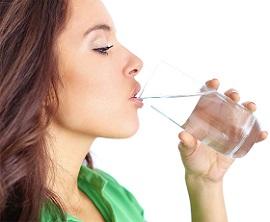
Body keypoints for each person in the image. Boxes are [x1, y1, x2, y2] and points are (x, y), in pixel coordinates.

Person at [0, 0, 267, 222]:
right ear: (33, 77)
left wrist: (206, 185)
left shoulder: (112, 195)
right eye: (102, 47)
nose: (136, 62)